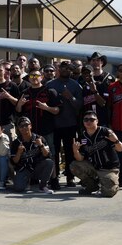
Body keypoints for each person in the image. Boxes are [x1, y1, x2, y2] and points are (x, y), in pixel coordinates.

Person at [47, 60, 84, 188]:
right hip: (54, 124)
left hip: (70, 124)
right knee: (54, 152)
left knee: (69, 152)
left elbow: (80, 106)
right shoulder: (50, 85)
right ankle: (54, 177)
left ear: (71, 71)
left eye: (68, 69)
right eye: (63, 68)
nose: (65, 70)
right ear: (58, 70)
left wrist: (71, 97)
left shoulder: (76, 86)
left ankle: (70, 177)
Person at [71, 111, 122, 197]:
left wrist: (116, 141)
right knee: (74, 165)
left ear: (97, 121)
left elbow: (120, 149)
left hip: (109, 169)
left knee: (109, 193)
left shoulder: (106, 131)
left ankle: (109, 183)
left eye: (91, 119)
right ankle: (92, 186)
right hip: (94, 168)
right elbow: (80, 158)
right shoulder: (82, 136)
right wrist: (75, 150)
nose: (88, 122)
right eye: (86, 120)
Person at [9, 117, 55, 193]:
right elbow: (14, 162)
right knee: (18, 188)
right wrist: (19, 152)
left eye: (26, 125)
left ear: (30, 126)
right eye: (21, 126)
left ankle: (43, 186)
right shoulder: (16, 143)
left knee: (49, 162)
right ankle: (26, 181)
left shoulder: (39, 138)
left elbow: (48, 155)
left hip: (37, 168)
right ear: (18, 129)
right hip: (24, 169)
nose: (24, 127)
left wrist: (41, 145)